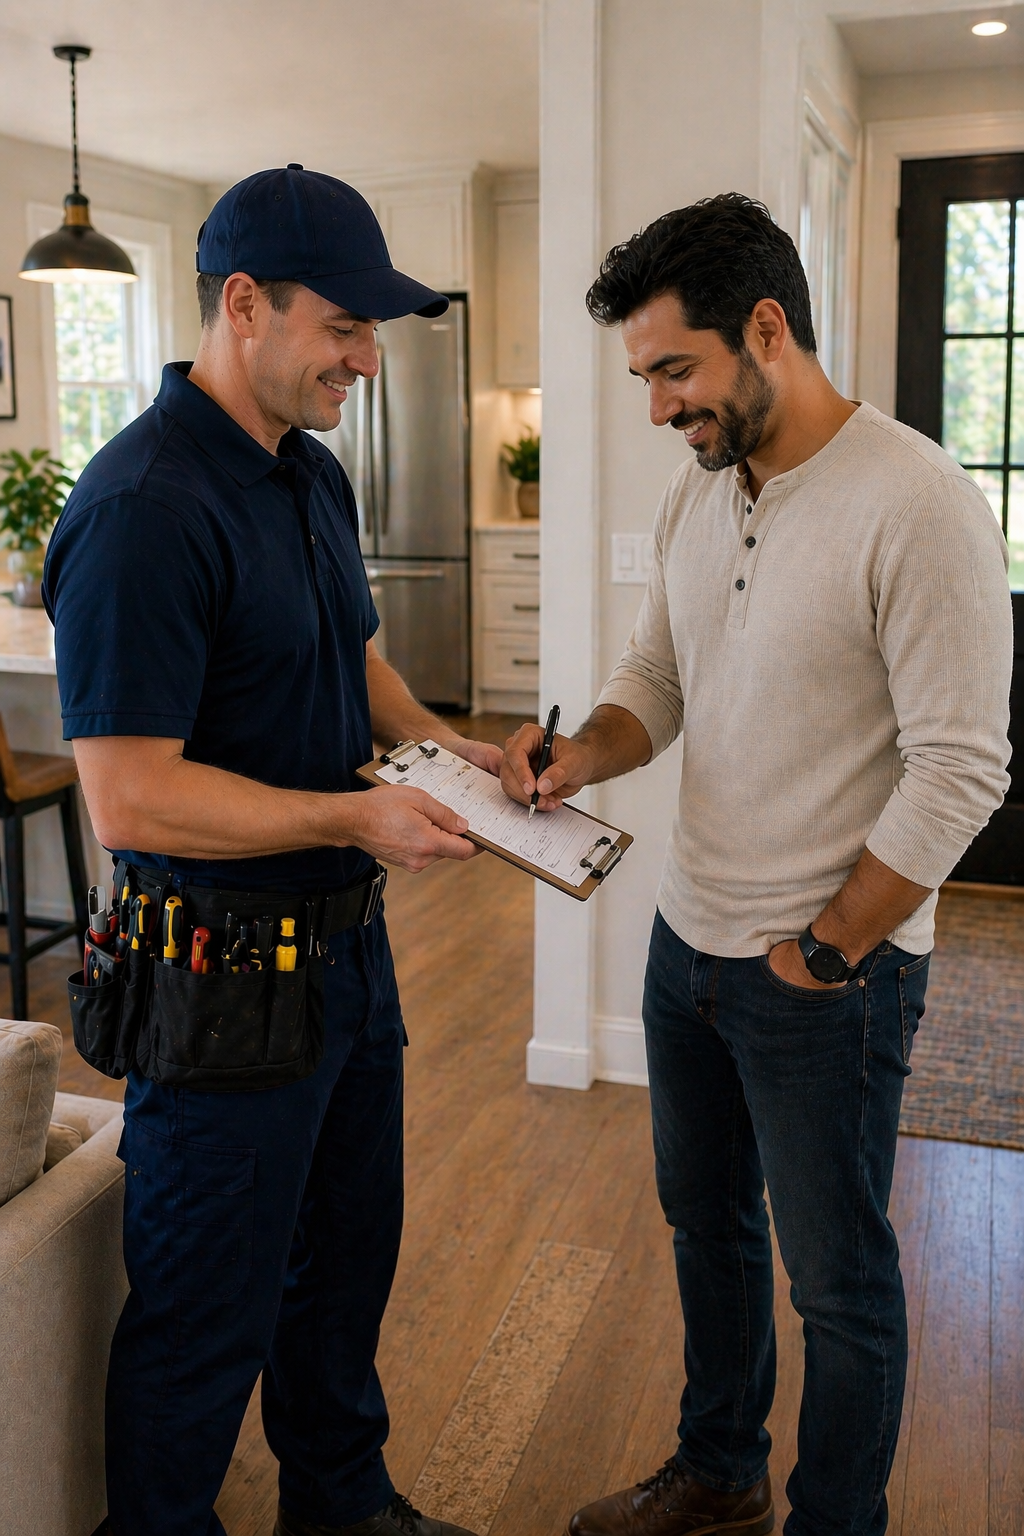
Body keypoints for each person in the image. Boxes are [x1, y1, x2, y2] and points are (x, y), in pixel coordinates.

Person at [501, 194, 1012, 1536]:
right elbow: (653, 681)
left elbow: (963, 770)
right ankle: (720, 1468)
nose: (662, 407)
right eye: (645, 378)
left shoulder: (920, 504)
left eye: (676, 369)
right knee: (708, 1231)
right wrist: (572, 759)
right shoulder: (703, 493)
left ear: (766, 329)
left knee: (839, 1282)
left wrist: (826, 948)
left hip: (822, 982)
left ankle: (832, 1519)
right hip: (689, 946)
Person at [44, 166, 495, 1536]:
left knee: (344, 1276)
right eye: (346, 328)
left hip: (347, 964)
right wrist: (354, 814)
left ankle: (341, 1507)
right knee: (200, 1319)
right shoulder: (143, 509)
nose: (368, 359)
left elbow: (355, 664)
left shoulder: (309, 474)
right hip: (220, 983)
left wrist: (444, 749)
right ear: (244, 306)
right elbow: (131, 800)